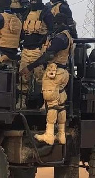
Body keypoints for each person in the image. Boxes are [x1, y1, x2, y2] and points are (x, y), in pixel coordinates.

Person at [20, 13, 73, 145]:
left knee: (51, 104)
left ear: (58, 24)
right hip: (63, 72)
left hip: (53, 73)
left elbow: (49, 55)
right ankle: (61, 134)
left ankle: (49, 134)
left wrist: (30, 67)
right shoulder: (68, 37)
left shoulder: (60, 38)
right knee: (60, 105)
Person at [17, 0, 54, 108]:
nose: (33, 3)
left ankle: (45, 103)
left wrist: (45, 43)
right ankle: (21, 102)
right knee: (23, 77)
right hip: (26, 50)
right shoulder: (27, 12)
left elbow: (52, 29)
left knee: (41, 78)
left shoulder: (46, 13)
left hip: (38, 51)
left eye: (35, 1)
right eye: (31, 1)